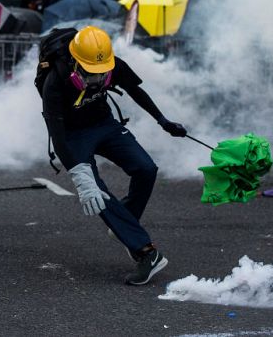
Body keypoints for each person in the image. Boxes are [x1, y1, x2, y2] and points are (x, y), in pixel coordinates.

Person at [39, 26, 186, 285]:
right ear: (75, 62)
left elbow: (136, 91)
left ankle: (124, 225)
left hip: (104, 124)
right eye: (90, 72)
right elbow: (57, 135)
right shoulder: (54, 82)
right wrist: (80, 175)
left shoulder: (112, 64)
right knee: (96, 191)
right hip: (73, 135)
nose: (97, 77)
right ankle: (146, 252)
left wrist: (163, 121)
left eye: (101, 71)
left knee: (146, 169)